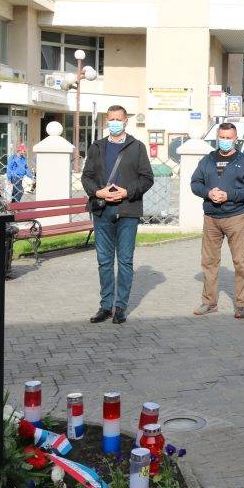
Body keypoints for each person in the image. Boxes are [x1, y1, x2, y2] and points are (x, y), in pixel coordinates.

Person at [81, 105, 154, 325]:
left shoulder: (137, 147)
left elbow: (147, 178)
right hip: (103, 210)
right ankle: (105, 306)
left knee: (124, 261)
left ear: (125, 121)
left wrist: (127, 191)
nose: (114, 122)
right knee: (104, 261)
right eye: (111, 119)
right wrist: (97, 191)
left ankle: (120, 307)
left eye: (118, 119)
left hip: (127, 211)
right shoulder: (97, 147)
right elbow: (87, 177)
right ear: (107, 121)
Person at [189, 122, 244, 319]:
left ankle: (241, 304)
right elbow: (195, 183)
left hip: (235, 216)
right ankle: (209, 302)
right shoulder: (207, 161)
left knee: (240, 262)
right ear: (217, 138)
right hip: (211, 218)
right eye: (222, 138)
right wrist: (208, 192)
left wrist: (229, 195)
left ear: (236, 139)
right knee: (209, 262)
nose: (225, 141)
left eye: (229, 138)